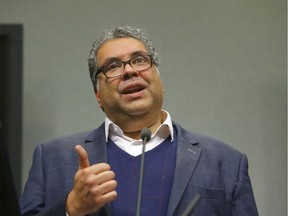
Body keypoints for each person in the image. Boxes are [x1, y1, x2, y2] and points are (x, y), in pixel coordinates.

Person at [20, 26, 259, 216]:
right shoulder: (52, 158)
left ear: (160, 81)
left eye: (140, 60)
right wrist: (71, 209)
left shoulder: (226, 162)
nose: (129, 71)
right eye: (113, 66)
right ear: (98, 95)